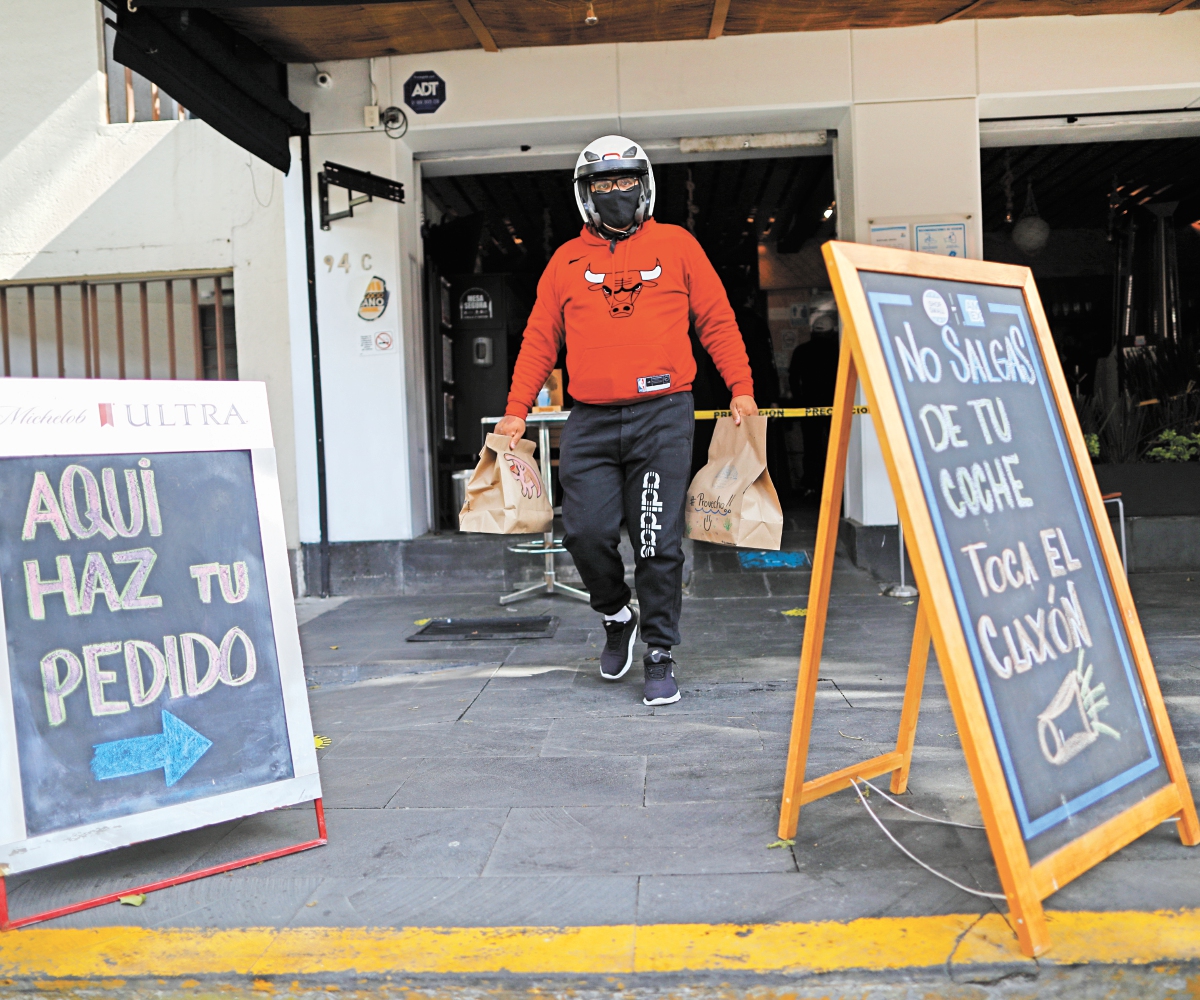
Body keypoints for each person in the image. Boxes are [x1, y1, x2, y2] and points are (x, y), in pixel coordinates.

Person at [495, 135, 757, 706]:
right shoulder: (566, 261)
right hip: (589, 418)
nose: (615, 193)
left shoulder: (678, 245)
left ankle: (660, 652)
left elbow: (715, 318)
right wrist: (517, 411)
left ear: (644, 184)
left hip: (663, 415)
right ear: (585, 194)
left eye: (625, 181)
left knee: (656, 540)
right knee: (584, 533)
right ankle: (617, 616)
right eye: (602, 184)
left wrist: (741, 386)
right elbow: (541, 339)